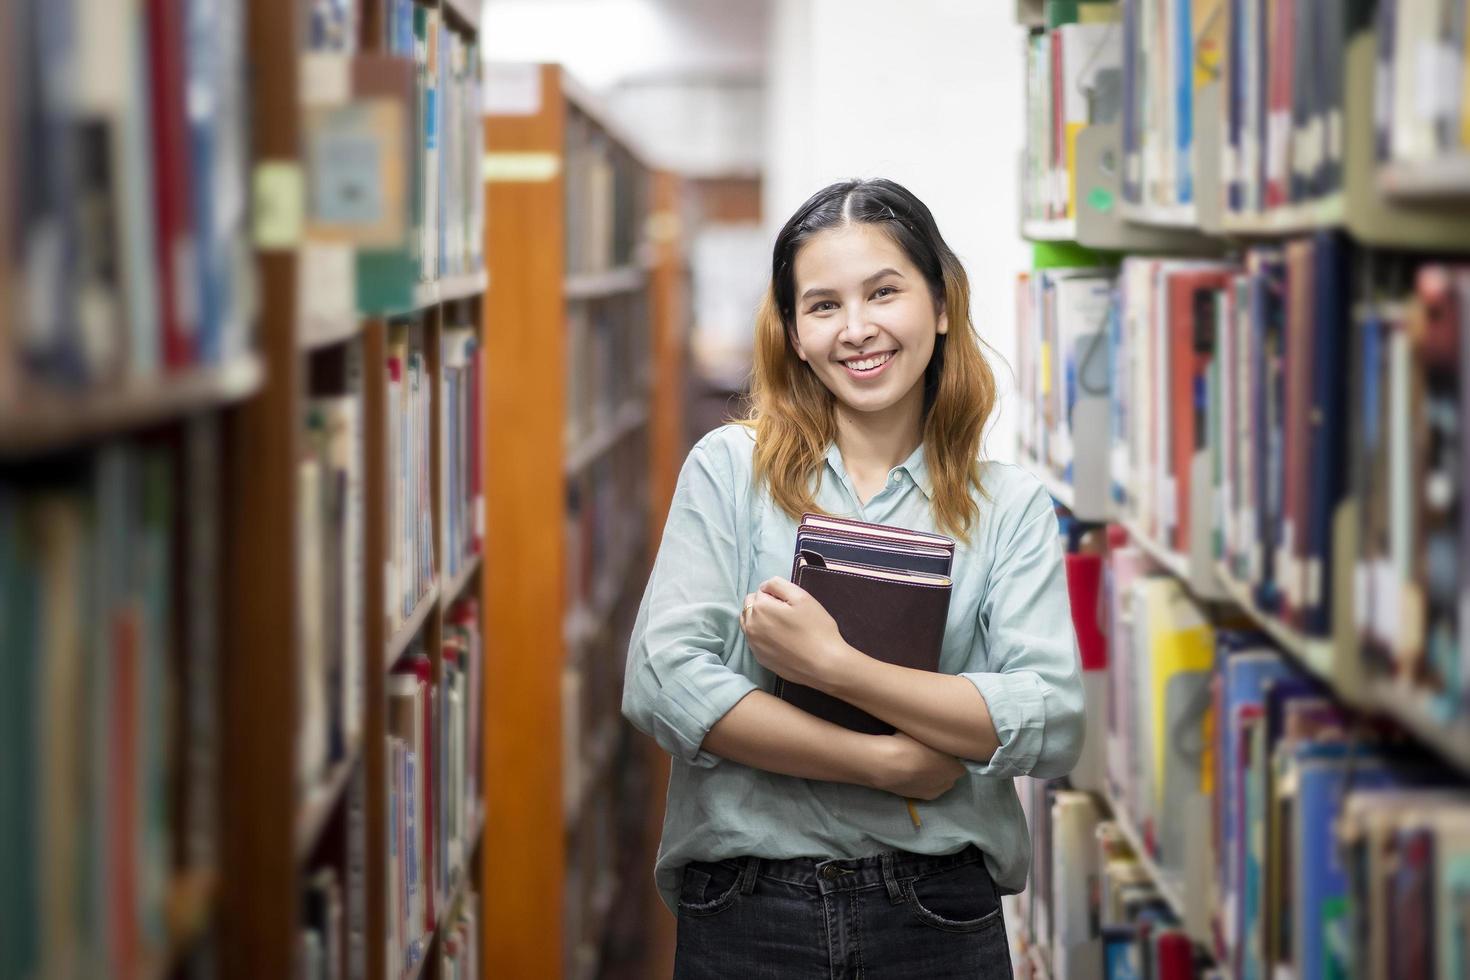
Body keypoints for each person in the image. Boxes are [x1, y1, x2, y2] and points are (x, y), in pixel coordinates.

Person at [622, 177, 1084, 979]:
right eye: (824, 305)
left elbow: (1048, 716)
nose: (858, 329)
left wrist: (837, 667)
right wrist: (884, 763)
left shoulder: (1007, 505)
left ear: (940, 306)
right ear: (795, 333)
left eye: (884, 293)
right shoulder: (729, 471)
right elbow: (664, 682)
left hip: (937, 917)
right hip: (746, 912)